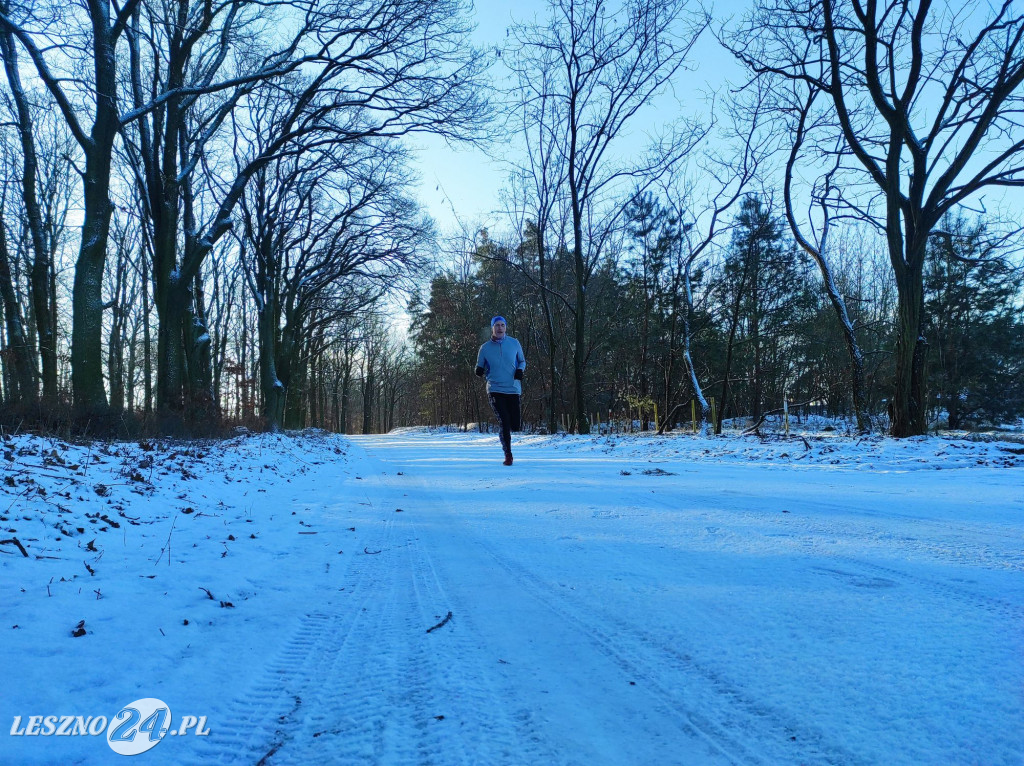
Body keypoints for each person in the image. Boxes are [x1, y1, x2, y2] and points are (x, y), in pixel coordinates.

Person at [475, 316, 526, 465]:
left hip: (513, 388)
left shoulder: (514, 343)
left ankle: (509, 434)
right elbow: (479, 365)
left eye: (502, 325)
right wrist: (478, 370)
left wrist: (520, 370)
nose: (499, 328)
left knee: (515, 424)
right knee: (504, 421)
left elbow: (522, 361)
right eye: (496, 325)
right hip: (495, 388)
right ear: (492, 328)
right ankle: (508, 454)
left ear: (505, 327)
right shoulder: (485, 348)